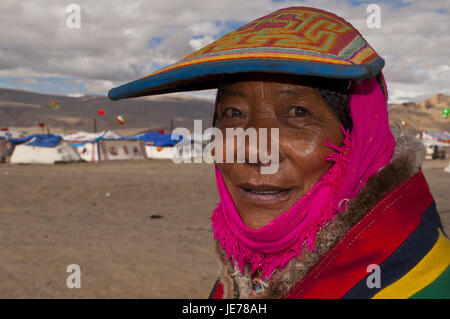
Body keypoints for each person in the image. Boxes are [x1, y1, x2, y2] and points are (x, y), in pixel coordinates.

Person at [109, 7, 450, 298]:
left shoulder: (420, 280)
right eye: (234, 114)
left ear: (360, 136)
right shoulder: (241, 275)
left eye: (298, 113)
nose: (256, 151)